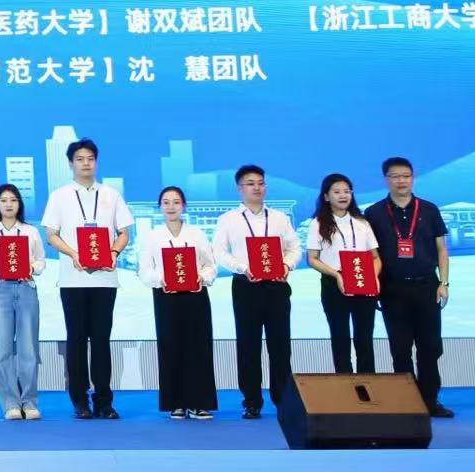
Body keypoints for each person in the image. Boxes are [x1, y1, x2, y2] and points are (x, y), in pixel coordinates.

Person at [40, 137, 134, 420]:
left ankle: (104, 400)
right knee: (77, 340)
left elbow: (124, 232)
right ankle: (80, 400)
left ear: (96, 162)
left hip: (105, 279)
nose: (86, 164)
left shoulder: (111, 194)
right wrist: (73, 253)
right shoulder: (59, 195)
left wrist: (114, 252)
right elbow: (51, 234)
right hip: (73, 279)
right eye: (80, 159)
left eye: (90, 159)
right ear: (71, 163)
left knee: (102, 340)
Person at [365, 156, 453, 417]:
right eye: (395, 176)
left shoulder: (429, 209)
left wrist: (444, 283)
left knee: (430, 347)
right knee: (400, 348)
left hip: (427, 287)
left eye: (406, 175)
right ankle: (407, 402)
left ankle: (430, 401)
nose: (401, 181)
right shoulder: (374, 213)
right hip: (392, 290)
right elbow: (370, 255)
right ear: (386, 179)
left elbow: (442, 250)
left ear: (413, 178)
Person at [213, 164, 302, 420]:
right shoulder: (228, 219)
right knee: (248, 346)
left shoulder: (279, 218)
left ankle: (282, 399)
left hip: (276, 285)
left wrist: (287, 265)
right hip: (246, 286)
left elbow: (295, 247)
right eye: (250, 183)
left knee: (280, 346)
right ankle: (251, 401)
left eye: (261, 183)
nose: (257, 188)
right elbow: (219, 251)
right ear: (239, 188)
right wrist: (243, 267)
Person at [137, 186, 218, 420]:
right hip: (166, 296)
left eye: (176, 202)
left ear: (183, 205)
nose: (171, 207)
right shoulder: (153, 236)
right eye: (166, 202)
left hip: (195, 295)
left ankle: (200, 403)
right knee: (170, 346)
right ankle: (176, 403)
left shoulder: (197, 234)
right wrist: (161, 279)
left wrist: (201, 278)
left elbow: (210, 265)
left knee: (198, 347)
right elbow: (145, 270)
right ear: (160, 207)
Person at [0, 183, 44, 420]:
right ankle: (10, 403)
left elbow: (41, 262)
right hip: (0, 289)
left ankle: (29, 401)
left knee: (28, 348)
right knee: (3, 349)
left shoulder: (30, 231)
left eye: (13, 200)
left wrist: (31, 267)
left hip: (25, 287)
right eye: (4, 200)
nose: (8, 204)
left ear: (19, 204)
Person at [307, 172, 382, 374]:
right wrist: (337, 275)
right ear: (326, 196)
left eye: (347, 191)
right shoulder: (318, 223)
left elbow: (375, 257)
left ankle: (368, 382)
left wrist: (374, 276)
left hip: (363, 281)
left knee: (364, 337)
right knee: (340, 337)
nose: (343, 195)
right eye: (337, 192)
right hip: (334, 283)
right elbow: (312, 258)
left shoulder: (362, 222)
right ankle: (345, 384)